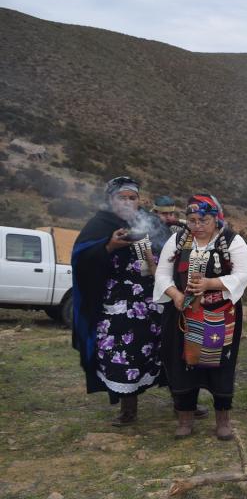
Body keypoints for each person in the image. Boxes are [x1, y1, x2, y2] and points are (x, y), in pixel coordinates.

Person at [154, 194, 247, 440]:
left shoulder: (232, 241)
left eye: (203, 220)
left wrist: (210, 283)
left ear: (216, 218)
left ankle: (223, 419)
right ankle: (185, 418)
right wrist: (175, 294)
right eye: (192, 220)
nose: (197, 226)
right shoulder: (178, 240)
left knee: (221, 364)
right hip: (182, 313)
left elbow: (242, 275)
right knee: (181, 363)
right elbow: (162, 274)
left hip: (220, 314)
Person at [72, 176, 167, 426]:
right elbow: (82, 258)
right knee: (124, 354)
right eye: (121, 197)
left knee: (165, 350)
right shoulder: (100, 224)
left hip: (153, 302)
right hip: (118, 305)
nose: (127, 202)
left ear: (139, 200)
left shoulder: (151, 222)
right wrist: (109, 247)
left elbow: (171, 251)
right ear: (111, 200)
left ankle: (184, 403)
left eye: (132, 198)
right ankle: (128, 409)